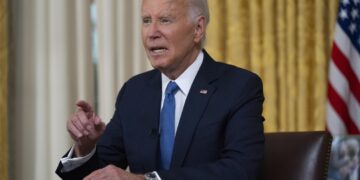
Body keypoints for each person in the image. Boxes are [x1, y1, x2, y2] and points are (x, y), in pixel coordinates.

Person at [56, 0, 265, 179]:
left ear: (198, 29)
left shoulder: (238, 87)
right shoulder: (134, 92)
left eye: (165, 20)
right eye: (146, 21)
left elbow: (240, 170)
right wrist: (85, 147)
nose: (152, 33)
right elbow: (98, 175)